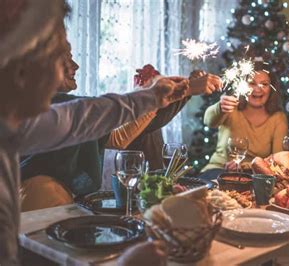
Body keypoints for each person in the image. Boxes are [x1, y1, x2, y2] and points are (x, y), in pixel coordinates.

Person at [0, 0, 221, 264]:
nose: (72, 66)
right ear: (19, 52)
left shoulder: (22, 125)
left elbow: (89, 115)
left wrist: (156, 95)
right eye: (58, 53)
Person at [199, 60, 288, 180]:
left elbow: (278, 159)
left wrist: (246, 166)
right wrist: (220, 107)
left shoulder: (278, 118)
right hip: (219, 170)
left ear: (271, 88)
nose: (258, 89)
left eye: (264, 84)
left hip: (254, 176)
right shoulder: (231, 107)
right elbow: (208, 121)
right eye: (252, 83)